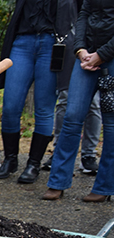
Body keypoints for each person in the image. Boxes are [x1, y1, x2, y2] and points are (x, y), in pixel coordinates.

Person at [0, 0, 77, 184]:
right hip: (22, 41)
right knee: (10, 106)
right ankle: (10, 160)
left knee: (44, 109)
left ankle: (33, 164)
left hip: (53, 43)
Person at [43, 0, 114, 202]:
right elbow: (84, 14)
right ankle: (57, 182)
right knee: (72, 117)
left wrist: (102, 55)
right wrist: (80, 49)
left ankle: (105, 187)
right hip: (87, 55)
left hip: (110, 58)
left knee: (111, 123)